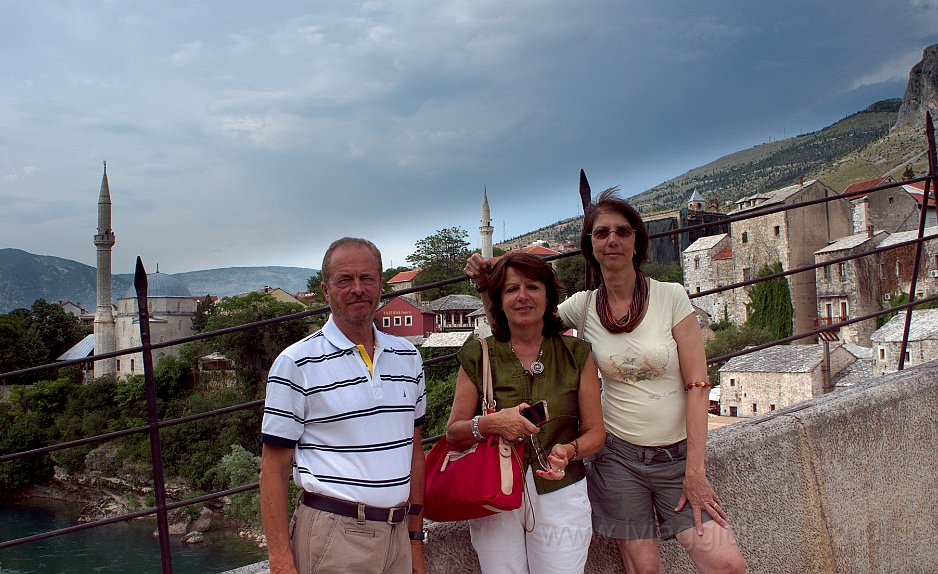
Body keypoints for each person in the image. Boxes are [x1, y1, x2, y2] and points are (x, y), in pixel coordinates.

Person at [465, 188, 746, 574]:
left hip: (677, 458)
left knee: (726, 563)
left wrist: (694, 472)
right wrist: (488, 288)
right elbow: (518, 326)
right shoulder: (583, 306)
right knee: (643, 570)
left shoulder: (671, 297)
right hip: (619, 459)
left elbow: (698, 386)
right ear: (590, 246)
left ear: (636, 242)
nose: (612, 240)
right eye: (601, 233)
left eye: (622, 232)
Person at [260, 237, 427, 574]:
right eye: (344, 280)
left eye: (367, 278)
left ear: (381, 285)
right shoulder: (296, 363)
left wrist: (415, 541)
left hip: (397, 537)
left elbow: (414, 452)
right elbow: (273, 472)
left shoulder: (408, 357)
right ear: (325, 289)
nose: (357, 289)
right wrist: (280, 562)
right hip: (334, 537)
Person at [447, 252, 605, 574]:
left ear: (548, 296)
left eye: (532, 287)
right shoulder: (480, 354)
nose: (522, 296)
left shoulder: (577, 354)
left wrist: (569, 451)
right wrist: (491, 423)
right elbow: (454, 432)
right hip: (494, 492)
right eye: (510, 289)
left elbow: (596, 433)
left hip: (561, 490)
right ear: (499, 301)